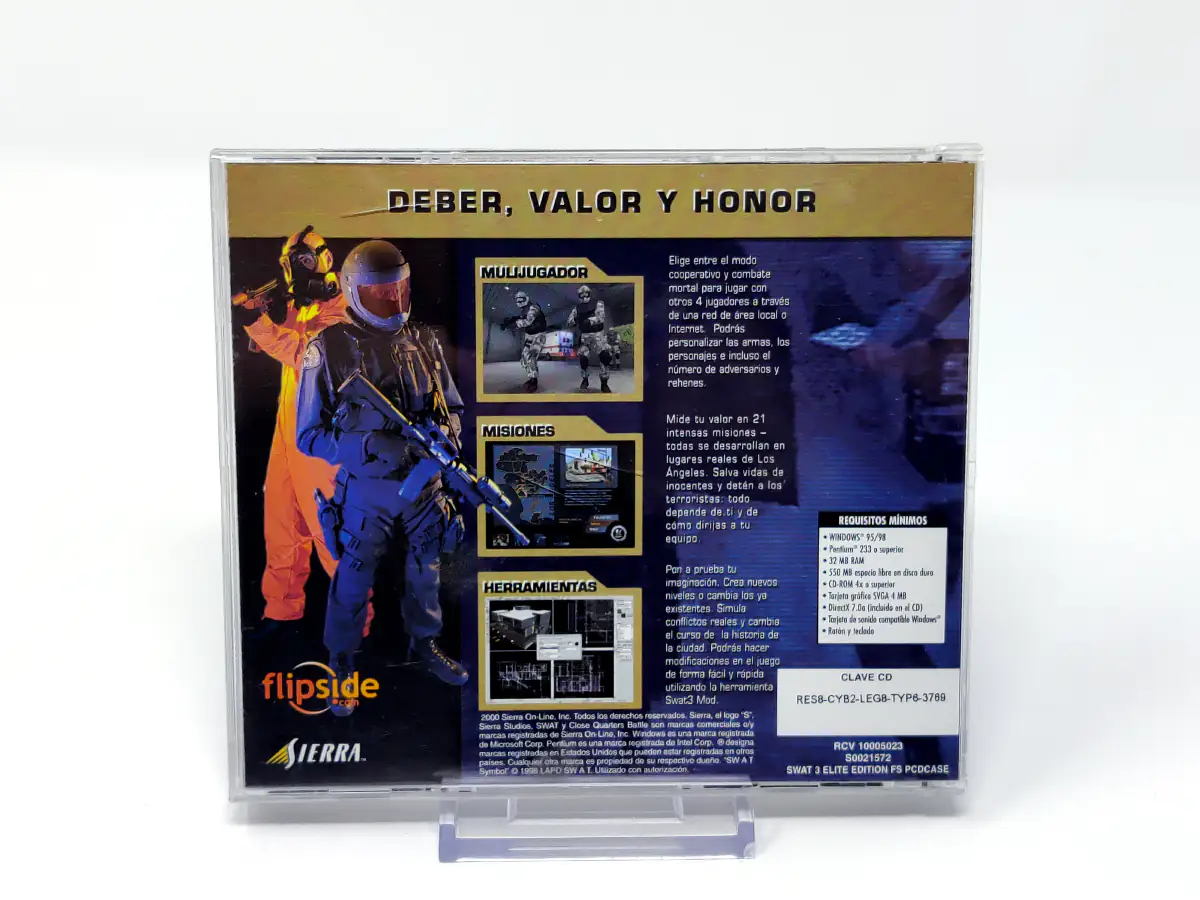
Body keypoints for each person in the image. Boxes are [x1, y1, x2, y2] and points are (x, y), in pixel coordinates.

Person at [295, 240, 468, 711]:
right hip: (366, 490)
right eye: (380, 293)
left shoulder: (424, 342)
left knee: (425, 570)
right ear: (354, 291)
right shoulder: (328, 348)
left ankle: (424, 643)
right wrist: (368, 445)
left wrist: (446, 438)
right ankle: (341, 661)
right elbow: (308, 436)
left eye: (399, 290)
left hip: (424, 484)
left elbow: (452, 407)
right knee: (353, 577)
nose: (392, 300)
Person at [231, 226, 348, 630]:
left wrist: (257, 323)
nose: (298, 270)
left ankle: (356, 626)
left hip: (321, 439)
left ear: (325, 260)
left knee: (329, 532)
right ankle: (282, 613)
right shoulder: (305, 310)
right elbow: (283, 345)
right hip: (287, 434)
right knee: (282, 528)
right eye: (291, 263)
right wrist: (262, 315)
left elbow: (306, 356)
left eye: (305, 260)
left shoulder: (345, 311)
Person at [565, 284, 612, 392]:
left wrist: (589, 321)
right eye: (581, 295)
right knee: (583, 359)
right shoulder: (577, 308)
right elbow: (569, 321)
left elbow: (601, 318)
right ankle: (585, 379)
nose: (584, 296)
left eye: (586, 294)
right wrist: (574, 320)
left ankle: (604, 382)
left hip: (598, 335)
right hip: (585, 336)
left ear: (589, 294)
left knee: (605, 356)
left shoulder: (598, 304)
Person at [500, 290, 548, 392]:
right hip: (529, 336)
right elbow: (522, 317)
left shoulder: (534, 307)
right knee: (524, 358)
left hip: (539, 335)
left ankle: (534, 381)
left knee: (531, 356)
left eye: (521, 300)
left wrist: (511, 325)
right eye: (518, 301)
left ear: (526, 299)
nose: (519, 303)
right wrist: (511, 320)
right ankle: (531, 378)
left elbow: (527, 321)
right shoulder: (524, 310)